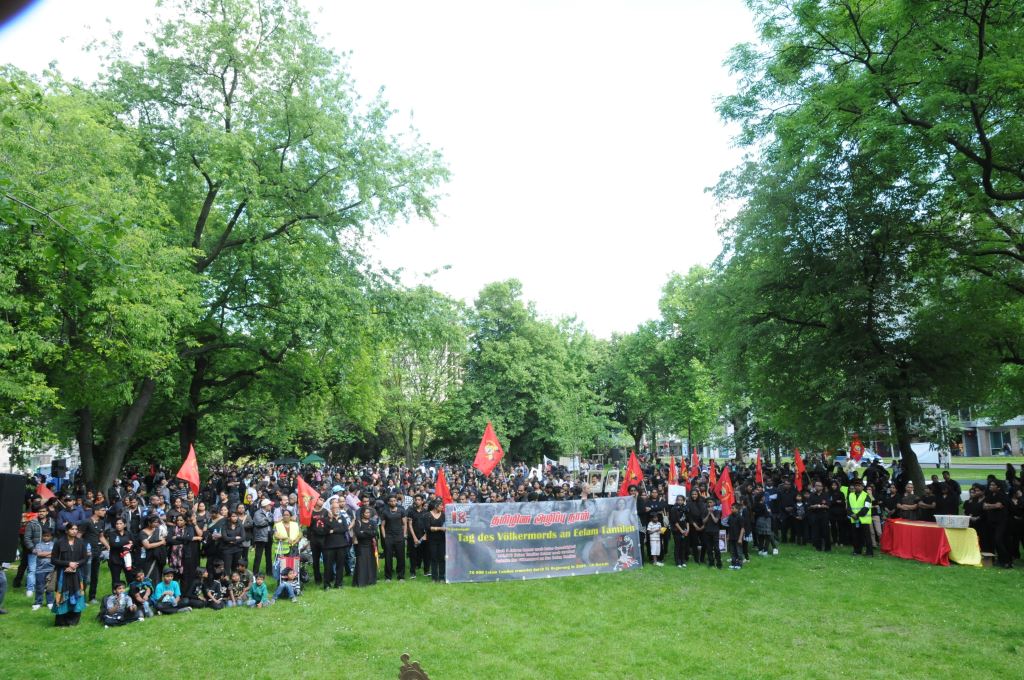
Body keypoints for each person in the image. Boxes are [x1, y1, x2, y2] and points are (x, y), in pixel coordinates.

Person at [51, 523, 88, 626]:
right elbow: (53, 559)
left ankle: (73, 621)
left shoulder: (81, 542)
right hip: (63, 574)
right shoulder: (59, 543)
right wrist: (67, 564)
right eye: (72, 529)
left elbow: (85, 558)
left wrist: (75, 565)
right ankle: (61, 622)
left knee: (77, 595)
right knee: (63, 595)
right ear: (66, 531)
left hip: (77, 573)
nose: (74, 531)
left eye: (76, 529)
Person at [983, 480, 1012, 568]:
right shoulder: (989, 495)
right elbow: (984, 506)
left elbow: (999, 505)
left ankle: (1007, 560)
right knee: (993, 541)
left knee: (999, 540)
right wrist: (993, 505)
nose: (990, 486)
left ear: (998, 487)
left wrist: (990, 505)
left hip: (1001, 521)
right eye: (990, 485)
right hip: (992, 521)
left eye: (993, 485)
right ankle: (1000, 560)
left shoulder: (1003, 495)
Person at [322, 499, 351, 589]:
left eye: (338, 507)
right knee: (328, 566)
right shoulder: (326, 519)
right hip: (329, 546)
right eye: (334, 508)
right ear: (331, 509)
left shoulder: (342, 518)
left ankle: (338, 584)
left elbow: (345, 528)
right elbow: (325, 530)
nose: (336, 509)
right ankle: (327, 584)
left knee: (340, 565)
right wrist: (331, 520)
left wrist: (334, 530)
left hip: (341, 545)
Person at [379, 494, 407, 581]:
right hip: (389, 537)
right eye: (391, 501)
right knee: (388, 557)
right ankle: (388, 576)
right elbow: (382, 526)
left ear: (396, 501)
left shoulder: (401, 511)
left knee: (401, 557)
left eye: (394, 501)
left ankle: (401, 576)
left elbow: (404, 524)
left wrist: (404, 535)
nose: (393, 502)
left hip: (399, 537)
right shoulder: (385, 512)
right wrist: (384, 537)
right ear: (388, 502)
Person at [352, 505, 378, 587]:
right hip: (361, 546)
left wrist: (364, 531)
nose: (368, 514)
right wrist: (368, 532)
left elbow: (375, 533)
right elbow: (358, 534)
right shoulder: (358, 522)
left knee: (371, 562)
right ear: (362, 514)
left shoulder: (372, 522)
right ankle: (361, 581)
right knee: (361, 563)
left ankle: (371, 580)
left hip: (370, 545)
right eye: (366, 513)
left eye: (369, 512)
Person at [847, 479, 874, 557]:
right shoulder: (850, 495)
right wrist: (851, 514)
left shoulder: (867, 496)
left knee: (867, 537)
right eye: (856, 485)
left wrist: (857, 515)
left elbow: (866, 508)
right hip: (854, 519)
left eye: (859, 486)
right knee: (856, 536)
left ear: (862, 487)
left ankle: (869, 552)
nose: (857, 487)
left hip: (864, 519)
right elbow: (848, 507)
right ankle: (857, 551)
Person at [272, 510, 301, 579]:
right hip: (282, 550)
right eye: (284, 515)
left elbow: (300, 534)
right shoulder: (277, 525)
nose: (285, 516)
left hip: (293, 549)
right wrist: (286, 538)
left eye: (287, 515)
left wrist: (295, 541)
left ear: (290, 516)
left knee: (293, 566)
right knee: (281, 566)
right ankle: (280, 581)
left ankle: (293, 581)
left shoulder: (295, 524)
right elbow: (276, 535)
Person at [32, 528, 55, 611]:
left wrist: (44, 554)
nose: (46, 537)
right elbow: (39, 554)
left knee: (50, 587)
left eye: (48, 536)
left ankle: (50, 602)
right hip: (40, 570)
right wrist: (51, 553)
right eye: (44, 536)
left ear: (51, 537)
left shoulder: (54, 545)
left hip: (51, 569)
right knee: (39, 587)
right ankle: (38, 603)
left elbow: (56, 554)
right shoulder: (38, 545)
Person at [252, 498, 275, 577]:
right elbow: (259, 523)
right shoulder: (257, 513)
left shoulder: (270, 513)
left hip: (269, 535)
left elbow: (272, 521)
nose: (271, 506)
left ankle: (269, 572)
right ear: (265, 506)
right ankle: (255, 573)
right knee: (258, 556)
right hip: (260, 537)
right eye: (269, 505)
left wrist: (267, 520)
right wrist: (268, 520)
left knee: (269, 555)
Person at [426, 499, 446, 582]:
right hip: (432, 540)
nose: (442, 507)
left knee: (442, 558)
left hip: (442, 539)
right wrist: (440, 528)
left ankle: (442, 577)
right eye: (441, 505)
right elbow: (428, 528)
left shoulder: (443, 515)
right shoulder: (428, 515)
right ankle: (434, 577)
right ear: (435, 506)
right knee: (433, 558)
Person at [668, 493, 689, 568]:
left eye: (681, 500)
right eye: (678, 500)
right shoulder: (673, 509)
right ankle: (678, 562)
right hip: (677, 530)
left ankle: (683, 560)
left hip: (685, 529)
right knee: (678, 546)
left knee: (683, 546)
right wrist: (681, 530)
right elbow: (675, 521)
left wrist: (687, 529)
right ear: (676, 501)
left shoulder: (685, 508)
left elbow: (687, 520)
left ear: (684, 501)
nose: (680, 501)